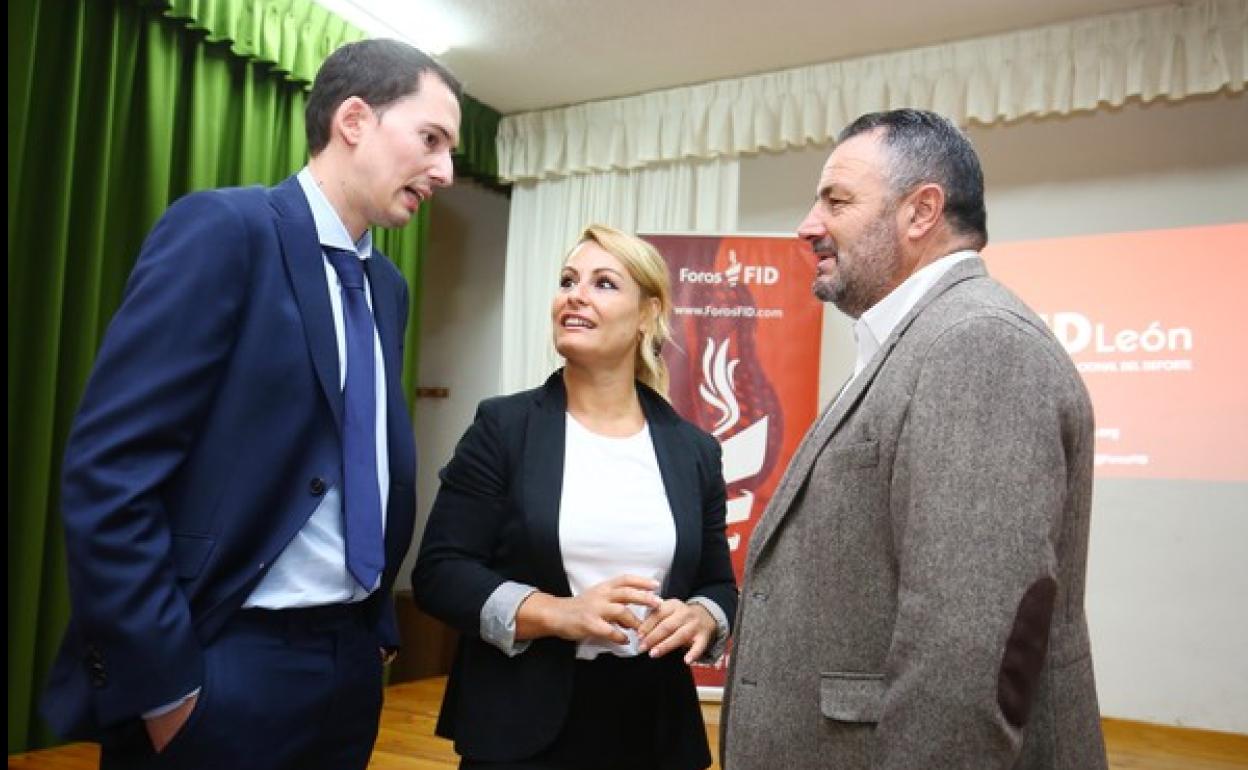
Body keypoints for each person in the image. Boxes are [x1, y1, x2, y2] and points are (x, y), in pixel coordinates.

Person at [39, 39, 462, 770]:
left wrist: (372, 634)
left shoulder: (387, 287)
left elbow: (356, 451)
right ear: (354, 120)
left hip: (350, 667)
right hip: (222, 660)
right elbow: (110, 474)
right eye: (431, 139)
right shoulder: (224, 232)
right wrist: (167, 690)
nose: (446, 172)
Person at [720, 109, 1107, 770]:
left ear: (922, 211)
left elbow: (963, 660)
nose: (808, 225)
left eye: (836, 201)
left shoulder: (978, 345)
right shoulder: (913, 341)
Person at [413, 224, 738, 770]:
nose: (575, 295)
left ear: (647, 315)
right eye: (568, 281)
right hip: (521, 729)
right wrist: (557, 613)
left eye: (604, 283)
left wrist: (703, 618)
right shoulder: (503, 428)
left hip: (654, 729)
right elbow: (441, 573)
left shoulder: (694, 450)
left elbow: (717, 583)